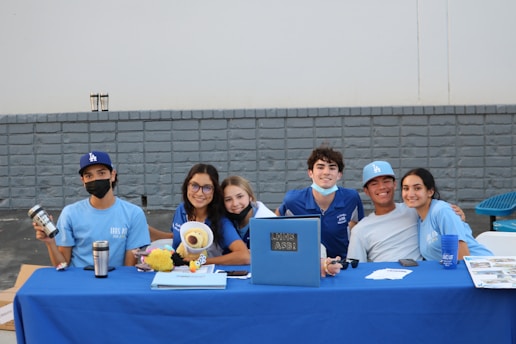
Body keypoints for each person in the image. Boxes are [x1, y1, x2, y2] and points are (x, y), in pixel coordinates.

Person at [33, 151, 151, 268]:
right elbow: (62, 265)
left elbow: (129, 269)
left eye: (101, 173)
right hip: (78, 282)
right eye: (89, 176)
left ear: (113, 175)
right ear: (83, 181)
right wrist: (50, 243)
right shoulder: (70, 213)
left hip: (116, 283)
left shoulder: (133, 214)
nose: (95, 179)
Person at [222, 175, 342, 276]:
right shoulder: (225, 221)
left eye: (240, 196)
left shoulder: (268, 220)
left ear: (250, 196)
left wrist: (322, 263)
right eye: (228, 199)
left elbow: (299, 248)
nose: (235, 203)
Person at [347, 161, 466, 263]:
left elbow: (442, 216)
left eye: (386, 181)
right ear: (366, 191)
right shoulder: (360, 229)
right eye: (374, 183)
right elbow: (355, 268)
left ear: (394, 185)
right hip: (386, 283)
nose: (382, 187)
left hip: (421, 277)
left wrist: (457, 215)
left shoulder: (414, 209)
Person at [275, 145, 364, 259]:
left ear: (339, 174)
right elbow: (276, 226)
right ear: (310, 172)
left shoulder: (351, 197)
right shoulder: (293, 200)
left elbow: (359, 226)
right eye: (320, 167)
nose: (326, 172)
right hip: (306, 265)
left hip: (341, 264)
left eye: (332, 168)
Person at [400, 168, 493, 260]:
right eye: (406, 188)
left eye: (417, 188)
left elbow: (462, 255)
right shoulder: (418, 218)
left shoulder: (441, 211)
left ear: (430, 192)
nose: (410, 194)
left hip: (479, 267)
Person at [170, 164, 250, 265]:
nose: (199, 193)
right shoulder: (181, 210)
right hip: (176, 274)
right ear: (187, 186)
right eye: (194, 186)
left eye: (207, 188)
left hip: (207, 276)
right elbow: (177, 237)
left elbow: (244, 256)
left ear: (214, 191)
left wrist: (200, 262)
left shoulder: (221, 221)